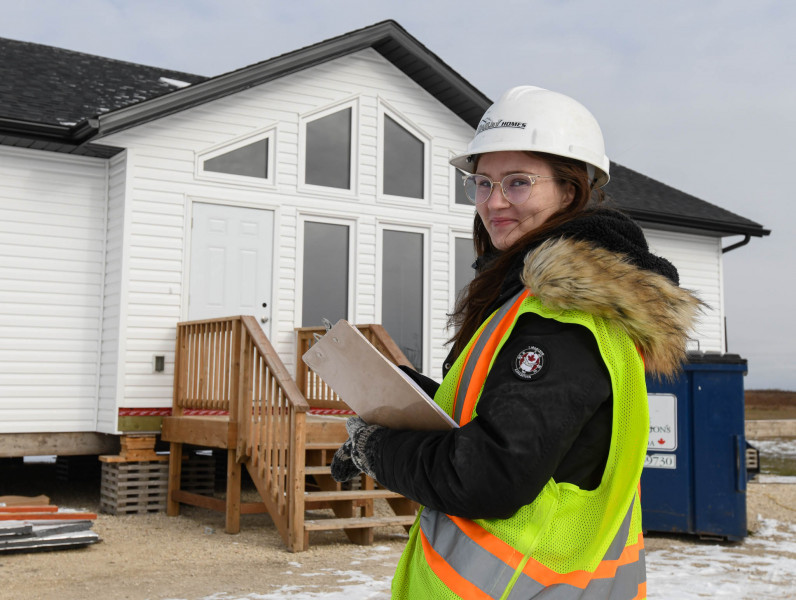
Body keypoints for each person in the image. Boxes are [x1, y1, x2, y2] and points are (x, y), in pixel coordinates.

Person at [331, 86, 701, 599]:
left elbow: (487, 475)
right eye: (482, 182)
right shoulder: (524, 301)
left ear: (570, 191)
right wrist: (391, 401)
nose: (494, 201)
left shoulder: (565, 315)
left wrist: (379, 448)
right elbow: (501, 412)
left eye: (518, 182)